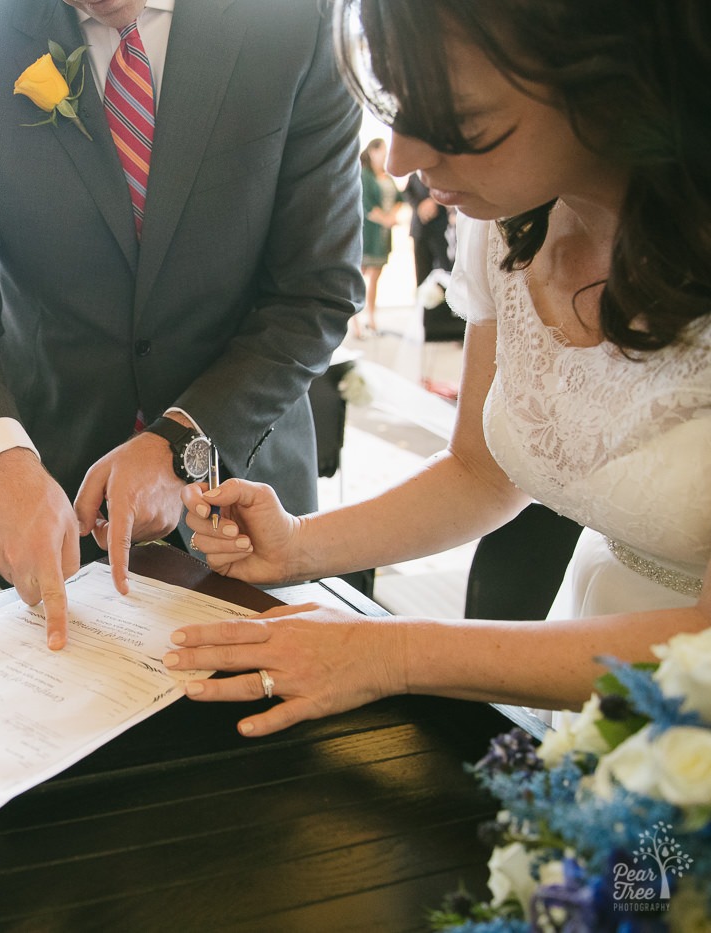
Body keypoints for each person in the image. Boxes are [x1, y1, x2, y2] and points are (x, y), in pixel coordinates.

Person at [170, 0, 711, 738]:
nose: (398, 160)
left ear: (615, 81)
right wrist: (300, 544)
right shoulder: (504, 221)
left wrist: (386, 652)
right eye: (394, 104)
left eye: (461, 122)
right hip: (583, 676)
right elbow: (483, 474)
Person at [0, 0, 364, 649]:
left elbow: (316, 289)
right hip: (55, 506)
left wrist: (183, 442)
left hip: (244, 495)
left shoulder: (297, 23)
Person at [357, 136, 403, 336]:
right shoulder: (364, 175)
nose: (384, 154)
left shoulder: (387, 176)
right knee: (359, 276)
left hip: (384, 234)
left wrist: (392, 215)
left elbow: (400, 198)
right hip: (368, 231)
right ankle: (355, 322)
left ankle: (372, 317)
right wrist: (385, 219)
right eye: (382, 150)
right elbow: (365, 203)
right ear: (372, 151)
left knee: (375, 277)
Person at [403, 174, 453, 281]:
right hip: (420, 228)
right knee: (421, 272)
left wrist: (434, 201)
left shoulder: (443, 171)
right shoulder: (415, 174)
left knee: (445, 268)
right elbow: (407, 192)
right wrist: (419, 206)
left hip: (440, 227)